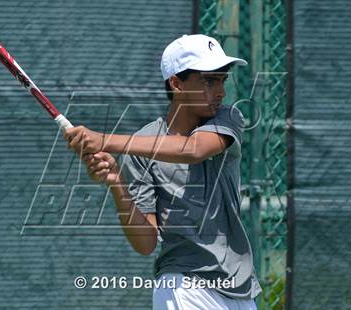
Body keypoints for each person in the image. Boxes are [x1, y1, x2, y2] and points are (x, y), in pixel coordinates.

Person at [64, 34, 261, 310]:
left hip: (240, 287)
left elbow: (193, 149)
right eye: (209, 80)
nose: (221, 91)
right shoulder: (142, 148)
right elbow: (145, 243)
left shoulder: (227, 119)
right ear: (177, 83)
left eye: (222, 80)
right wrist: (116, 183)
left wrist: (103, 140)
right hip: (183, 286)